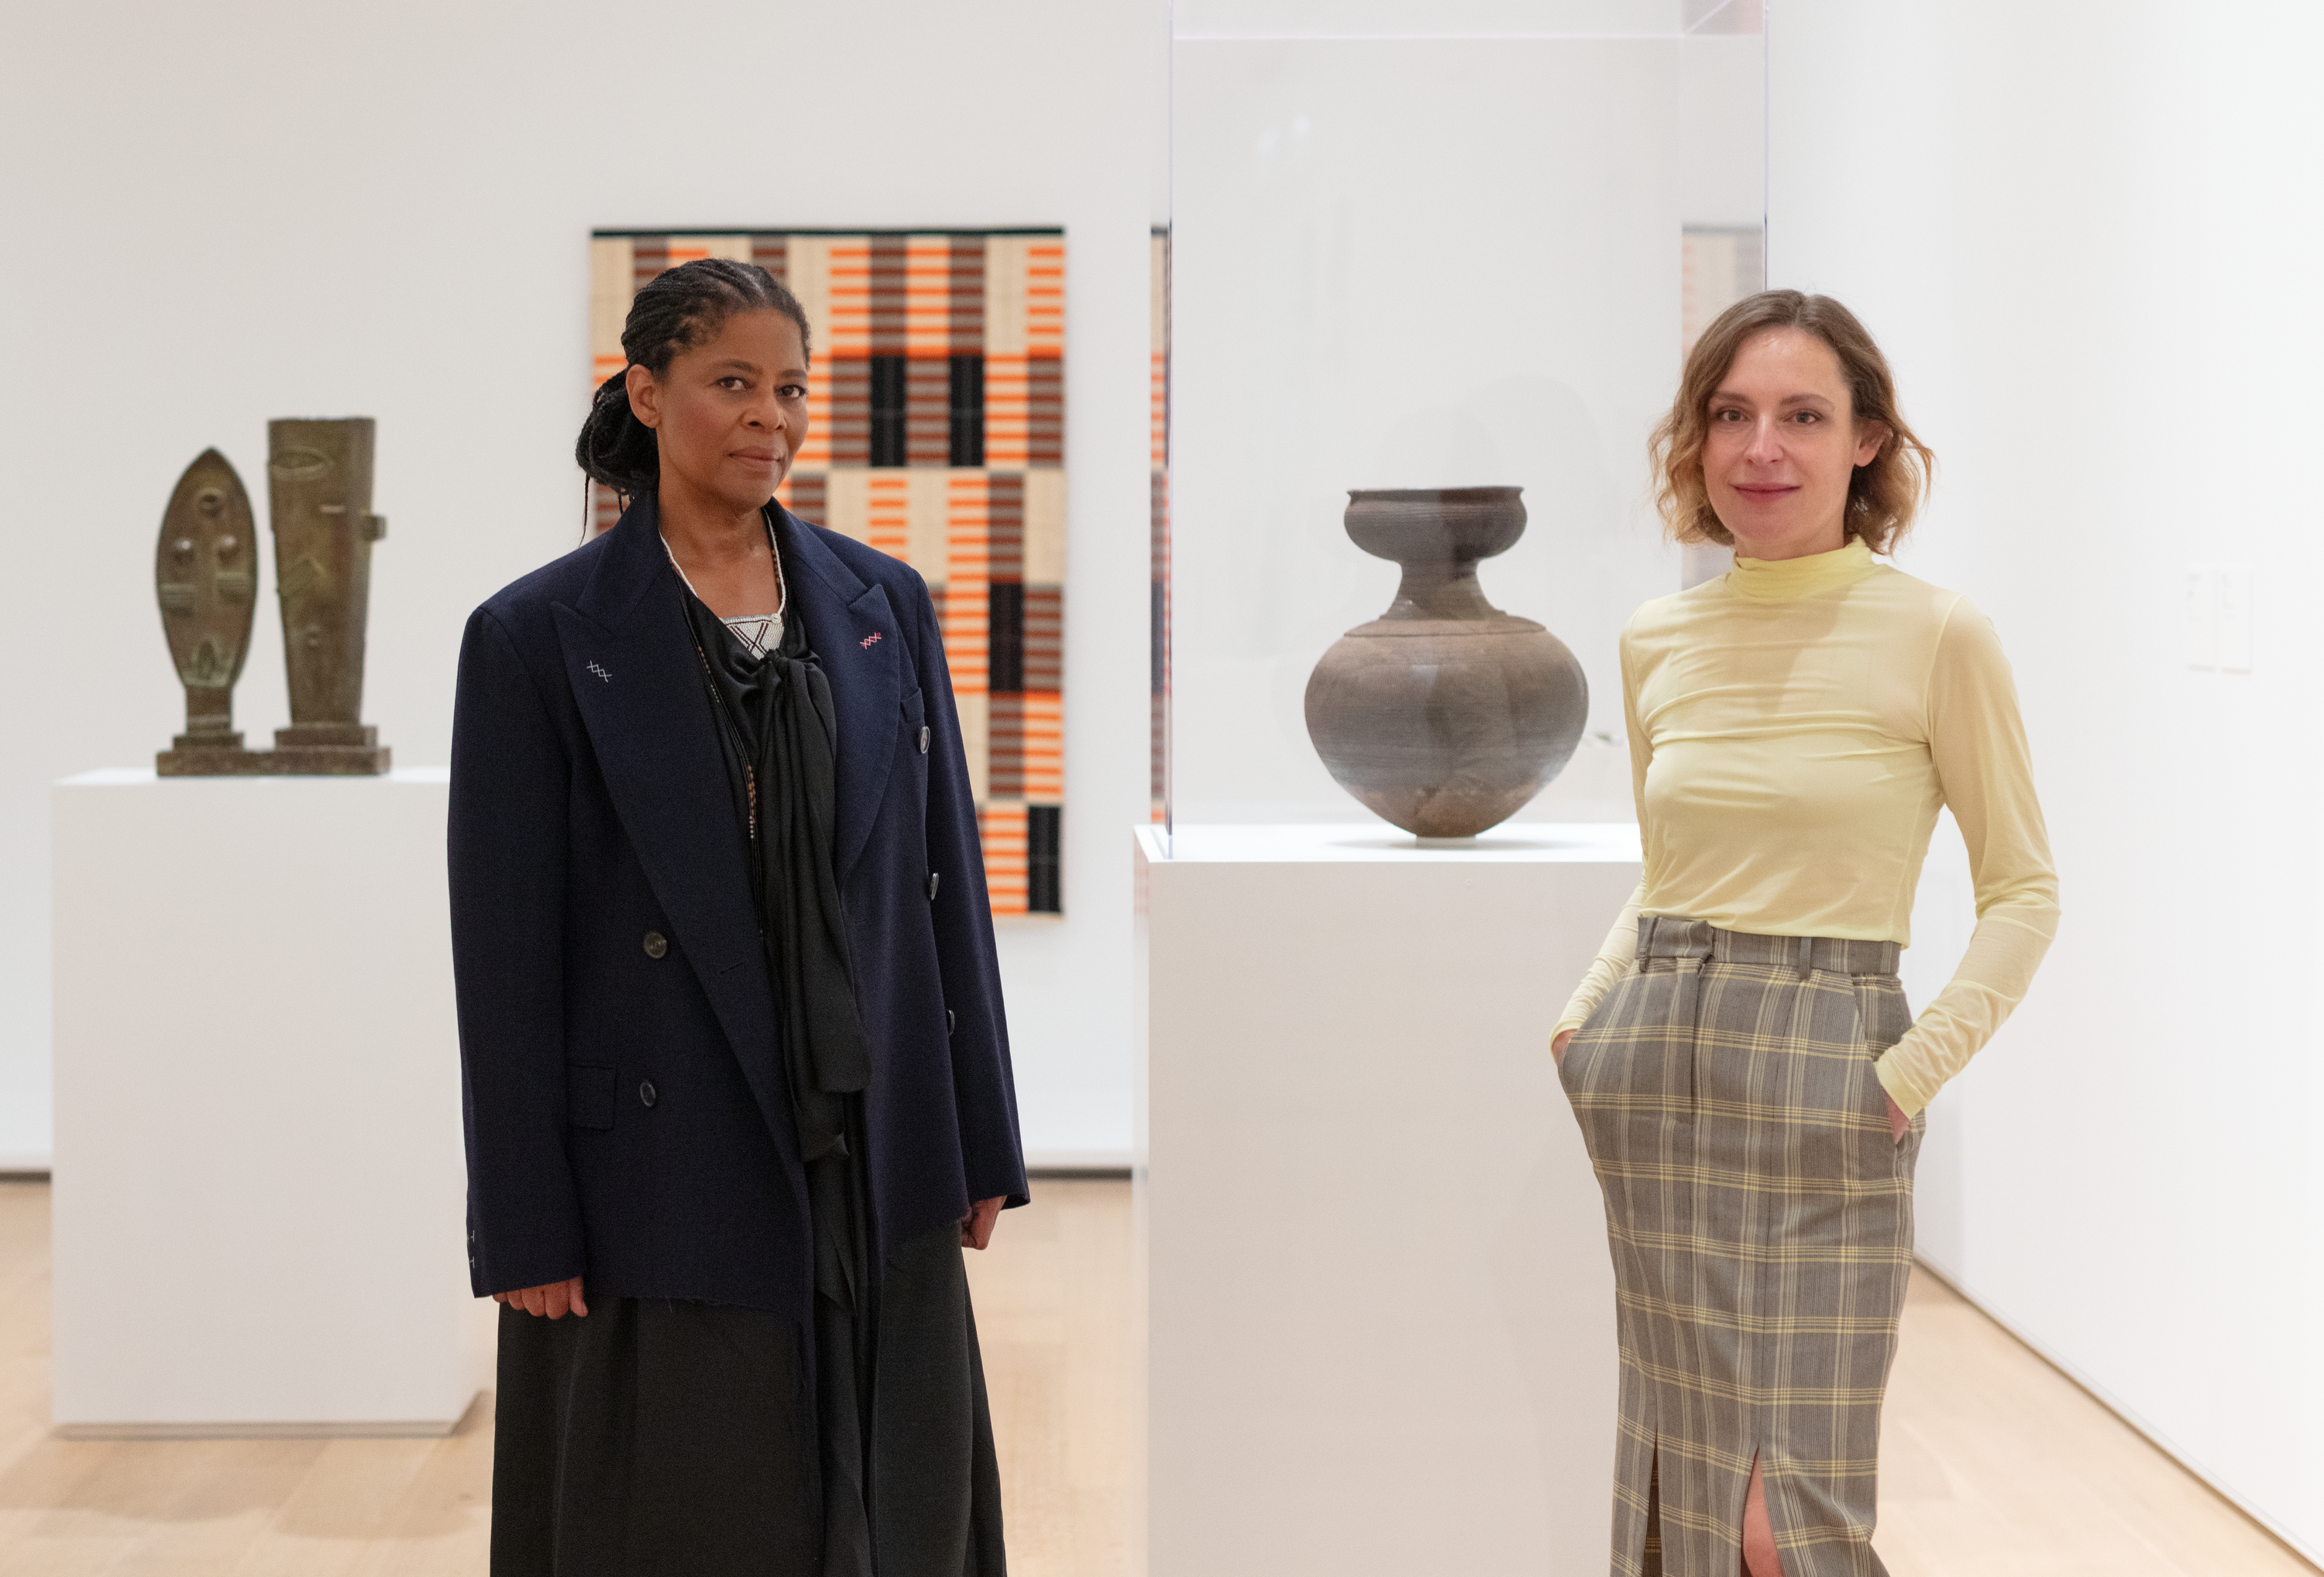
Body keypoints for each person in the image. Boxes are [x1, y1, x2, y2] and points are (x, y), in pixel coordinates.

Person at [449, 256, 1026, 1575]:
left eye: (789, 388)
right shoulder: (535, 636)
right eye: (732, 385)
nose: (772, 416)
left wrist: (979, 1128)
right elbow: (503, 959)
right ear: (647, 397)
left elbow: (944, 887)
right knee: (691, 1512)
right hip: (659, 1162)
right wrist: (524, 1217)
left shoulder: (884, 602)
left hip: (874, 1132)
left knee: (898, 1503)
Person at [1551, 290, 2058, 1577]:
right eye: (1731, 415)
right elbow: (1668, 875)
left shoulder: (1938, 633)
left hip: (1831, 1070)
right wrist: (1584, 1020)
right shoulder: (1657, 640)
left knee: (1789, 1524)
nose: (1760, 449)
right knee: (1681, 1502)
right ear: (1696, 441)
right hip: (1655, 1077)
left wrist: (1903, 1075)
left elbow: (2024, 892)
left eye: (1802, 416)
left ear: (1868, 442)